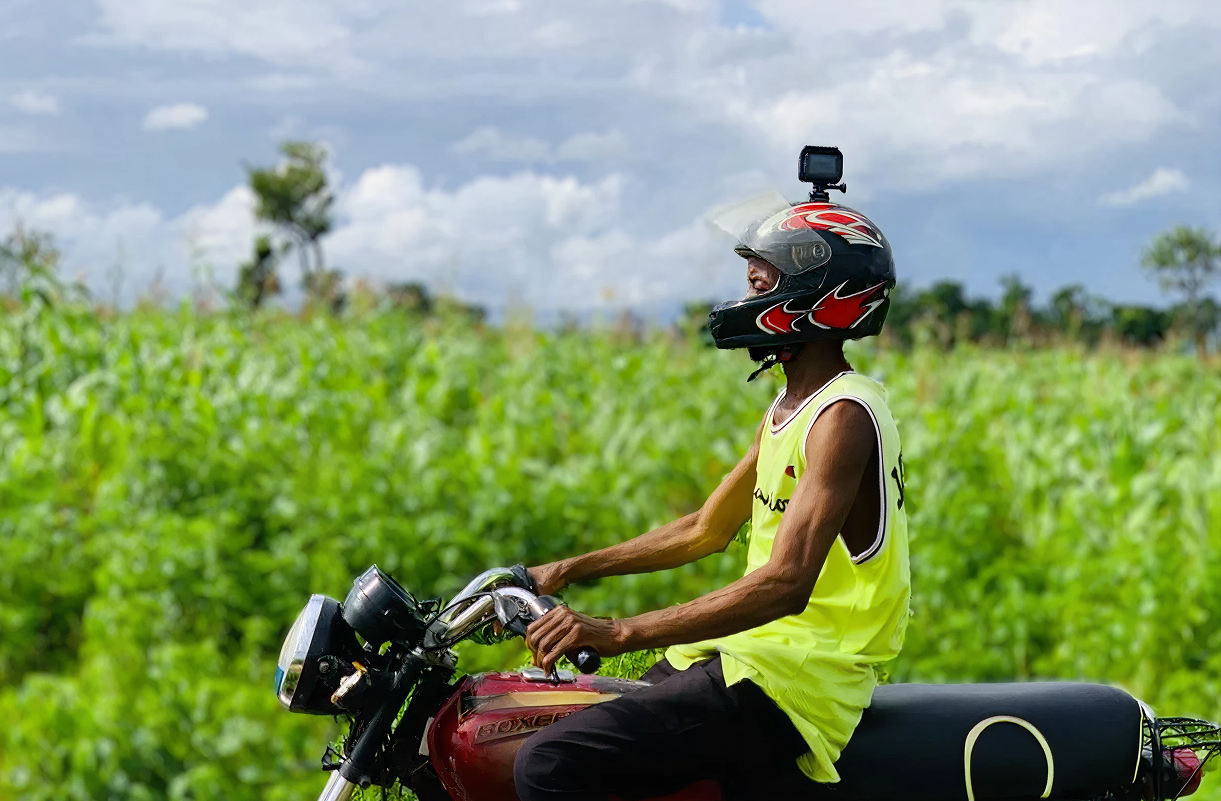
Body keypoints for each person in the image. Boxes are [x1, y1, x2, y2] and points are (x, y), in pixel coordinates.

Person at [514, 197, 910, 800]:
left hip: (797, 677)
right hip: (751, 657)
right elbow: (704, 528)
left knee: (549, 765)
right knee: (533, 721)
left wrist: (618, 631)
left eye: (767, 271)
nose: (750, 284)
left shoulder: (842, 415)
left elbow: (786, 582)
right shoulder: (790, 409)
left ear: (820, 291)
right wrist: (561, 572)